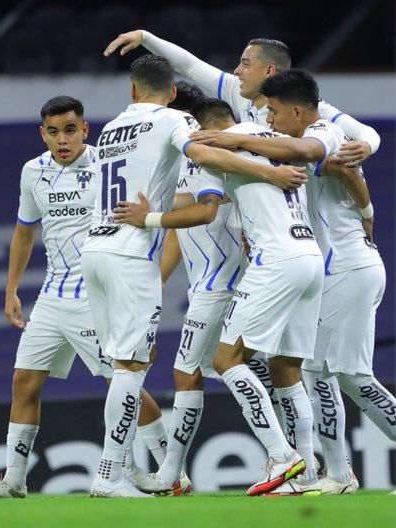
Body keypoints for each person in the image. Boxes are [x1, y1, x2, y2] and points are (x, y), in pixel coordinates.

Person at [82, 55, 308, 498]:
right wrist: (272, 172)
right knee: (140, 368)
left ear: (132, 90)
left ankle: (145, 472)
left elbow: (200, 204)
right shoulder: (178, 127)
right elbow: (202, 163)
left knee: (143, 367)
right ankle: (119, 474)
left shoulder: (111, 129)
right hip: (138, 255)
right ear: (171, 96)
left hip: (99, 250)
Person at [192, 70, 396, 495]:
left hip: (347, 264)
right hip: (319, 264)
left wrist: (367, 215)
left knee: (351, 375)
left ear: (296, 110)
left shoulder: (323, 132)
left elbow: (328, 161)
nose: (269, 119)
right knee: (309, 370)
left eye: (273, 111)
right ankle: (334, 474)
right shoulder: (275, 140)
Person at [0, 96, 171, 499]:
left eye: (70, 130)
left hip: (95, 296)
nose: (62, 140)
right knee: (24, 380)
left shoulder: (107, 165)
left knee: (122, 382)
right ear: (43, 134)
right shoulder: (33, 172)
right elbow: (24, 231)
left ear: (85, 130)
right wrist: (11, 290)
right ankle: (14, 480)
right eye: (54, 132)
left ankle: (168, 469)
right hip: (51, 296)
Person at [109, 81, 245, 495]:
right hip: (219, 284)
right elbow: (178, 232)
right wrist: (156, 282)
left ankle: (171, 473)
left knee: (190, 372)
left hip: (223, 284)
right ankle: (302, 458)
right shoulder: (185, 162)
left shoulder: (206, 157)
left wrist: (150, 216)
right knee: (260, 374)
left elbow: (200, 212)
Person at [103, 30, 380, 167]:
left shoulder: (306, 108)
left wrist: (367, 146)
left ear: (269, 70)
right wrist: (145, 37)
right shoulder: (236, 91)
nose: (236, 71)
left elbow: (365, 132)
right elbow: (190, 66)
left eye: (245, 64)